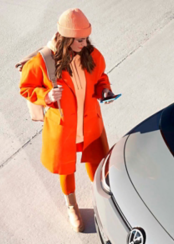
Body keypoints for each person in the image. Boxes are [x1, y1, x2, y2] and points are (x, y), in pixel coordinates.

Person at [19, 8, 114, 232]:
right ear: (67, 38)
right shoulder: (44, 61)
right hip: (64, 127)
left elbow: (100, 77)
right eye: (80, 40)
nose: (85, 43)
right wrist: (46, 96)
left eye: (86, 38)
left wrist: (105, 91)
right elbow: (26, 87)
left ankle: (102, 196)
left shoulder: (91, 54)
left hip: (90, 121)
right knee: (67, 167)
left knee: (97, 161)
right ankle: (72, 206)